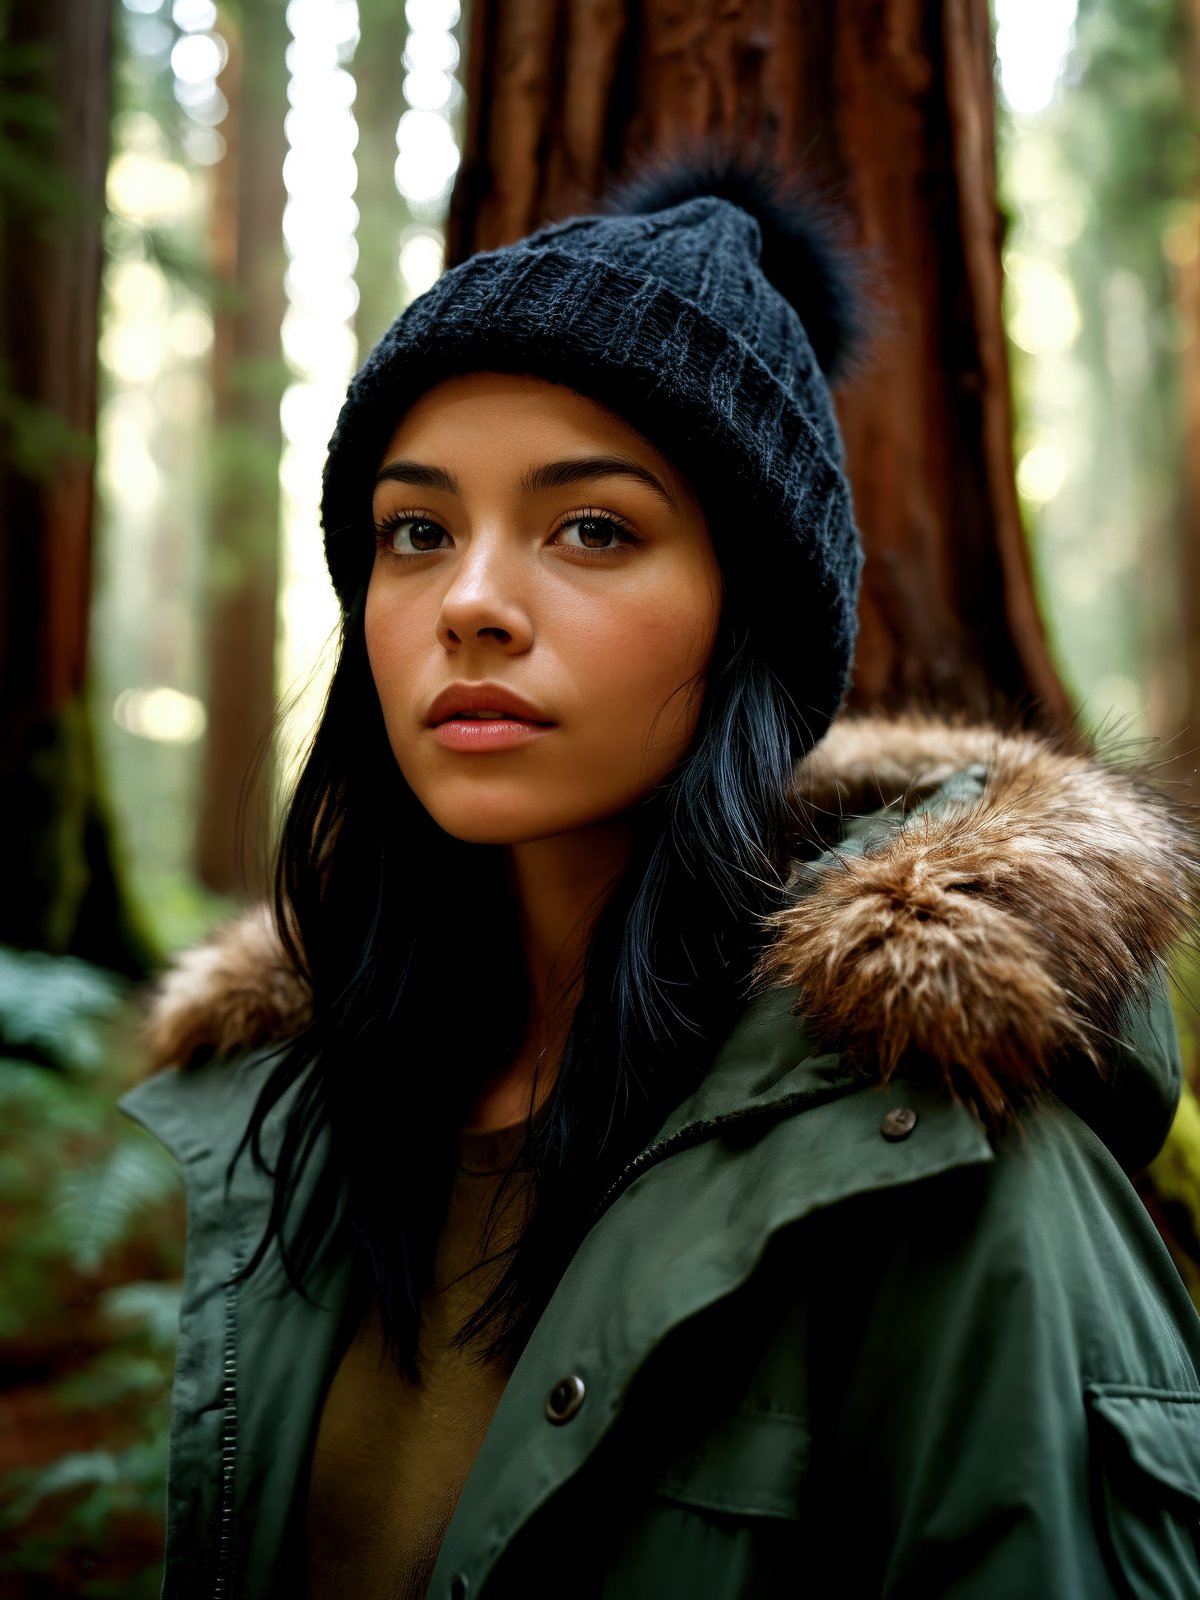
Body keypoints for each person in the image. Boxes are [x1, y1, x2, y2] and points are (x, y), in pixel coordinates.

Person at [121, 156, 1200, 1600]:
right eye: (416, 531)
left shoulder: (934, 1169)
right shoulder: (313, 1115)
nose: (473, 604)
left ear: (747, 614)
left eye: (592, 529)